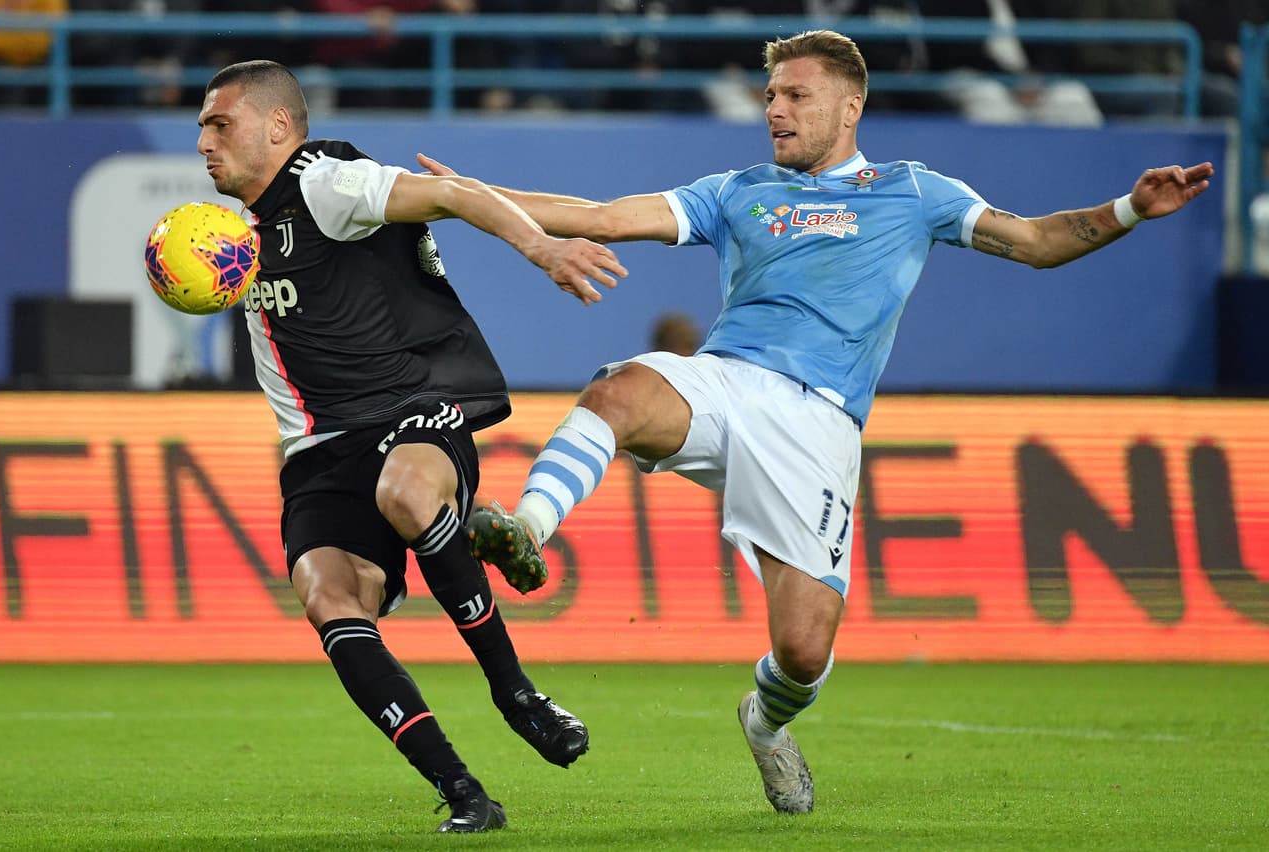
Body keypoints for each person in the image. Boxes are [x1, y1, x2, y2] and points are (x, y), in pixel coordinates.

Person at [418, 29, 1213, 814]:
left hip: (819, 426)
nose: (776, 111)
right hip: (727, 382)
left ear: (850, 105)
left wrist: (1130, 210)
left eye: (797, 95)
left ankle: (764, 723)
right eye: (771, 96)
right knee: (619, 391)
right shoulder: (737, 191)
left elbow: (1038, 242)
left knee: (802, 652)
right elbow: (601, 215)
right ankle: (525, 527)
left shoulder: (914, 192)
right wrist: (467, 198)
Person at [196, 60, 626, 833]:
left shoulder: (327, 182)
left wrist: (546, 249)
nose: (203, 141)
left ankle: (516, 693)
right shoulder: (226, 237)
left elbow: (457, 194)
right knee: (327, 597)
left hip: (413, 410)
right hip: (318, 452)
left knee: (406, 495)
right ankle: (464, 793)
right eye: (201, 125)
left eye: (219, 124)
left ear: (278, 128)